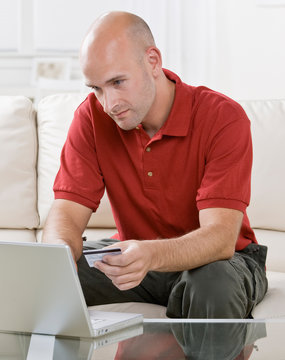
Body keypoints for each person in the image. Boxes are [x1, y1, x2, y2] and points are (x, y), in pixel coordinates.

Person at [43, 11, 268, 318]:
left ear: (152, 61)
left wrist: (150, 254)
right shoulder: (91, 118)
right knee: (32, 278)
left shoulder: (223, 117)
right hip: (137, 256)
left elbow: (220, 238)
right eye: (96, 88)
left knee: (213, 284)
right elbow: (66, 212)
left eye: (118, 82)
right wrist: (58, 259)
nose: (109, 104)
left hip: (220, 262)